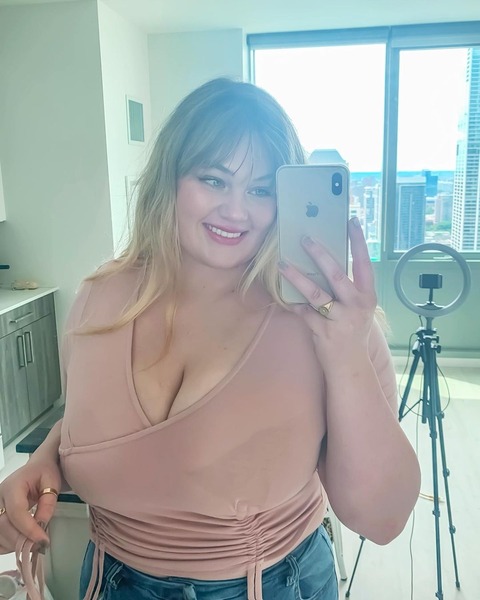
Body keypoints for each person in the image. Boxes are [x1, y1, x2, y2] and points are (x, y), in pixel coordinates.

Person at [0, 78, 421, 600]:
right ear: (170, 178)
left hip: (268, 585)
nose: (236, 211)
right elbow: (94, 423)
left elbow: (382, 519)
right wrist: (44, 462)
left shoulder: (326, 322)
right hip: (107, 580)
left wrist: (347, 354)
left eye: (261, 190)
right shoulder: (100, 299)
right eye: (214, 180)